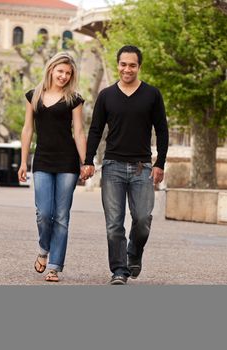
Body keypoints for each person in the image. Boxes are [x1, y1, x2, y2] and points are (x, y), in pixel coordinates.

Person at [82, 45, 169, 285]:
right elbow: (96, 130)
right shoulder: (106, 96)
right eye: (123, 64)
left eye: (132, 65)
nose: (127, 69)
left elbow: (162, 130)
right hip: (112, 167)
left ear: (139, 66)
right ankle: (119, 270)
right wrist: (88, 160)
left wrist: (160, 162)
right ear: (117, 65)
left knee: (142, 219)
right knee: (114, 224)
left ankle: (134, 254)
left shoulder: (152, 94)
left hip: (143, 167)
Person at [18, 52, 86, 282]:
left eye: (68, 73)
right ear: (51, 69)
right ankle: (42, 249)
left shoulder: (74, 99)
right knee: (44, 213)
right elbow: (28, 130)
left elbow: (78, 132)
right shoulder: (33, 96)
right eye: (61, 71)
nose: (64, 76)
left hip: (67, 162)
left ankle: (54, 266)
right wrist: (23, 161)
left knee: (61, 216)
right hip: (43, 160)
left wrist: (86, 161)